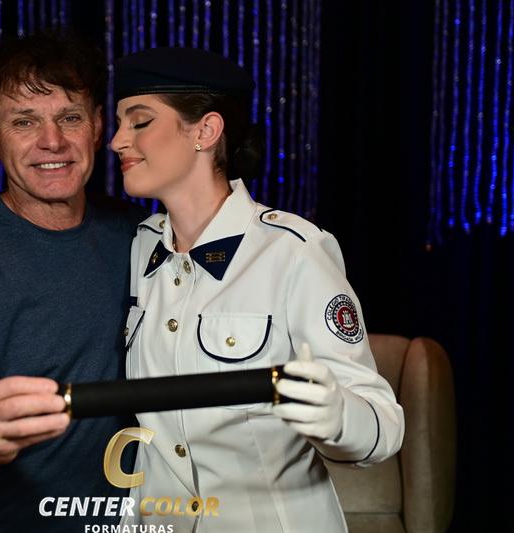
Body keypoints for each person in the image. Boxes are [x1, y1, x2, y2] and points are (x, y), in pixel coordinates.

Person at [110, 47, 405, 532]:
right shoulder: (138, 249)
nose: (118, 140)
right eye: (120, 123)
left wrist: (336, 416)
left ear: (206, 131)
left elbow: (383, 426)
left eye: (140, 122)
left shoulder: (293, 251)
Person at [0, 29, 145, 532]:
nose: (52, 141)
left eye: (70, 117)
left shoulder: (141, 236)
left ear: (97, 127)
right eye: (24, 121)